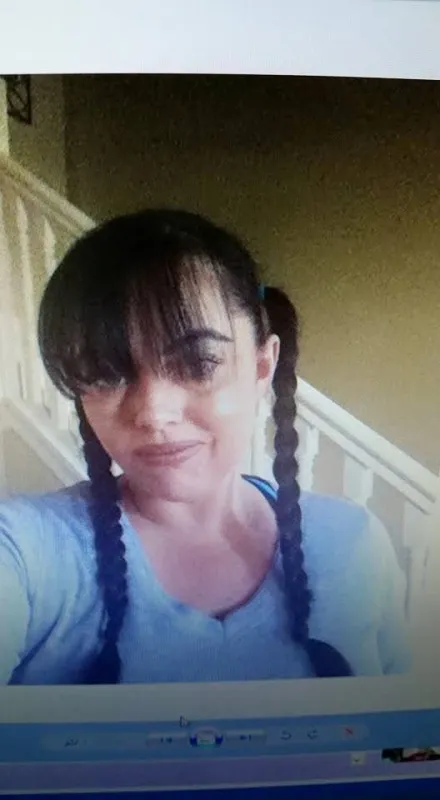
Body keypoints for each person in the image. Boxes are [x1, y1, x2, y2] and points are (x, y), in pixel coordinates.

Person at [0, 210, 410, 685]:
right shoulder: (27, 552)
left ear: (262, 367)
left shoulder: (355, 545)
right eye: (106, 372)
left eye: (198, 363)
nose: (153, 412)